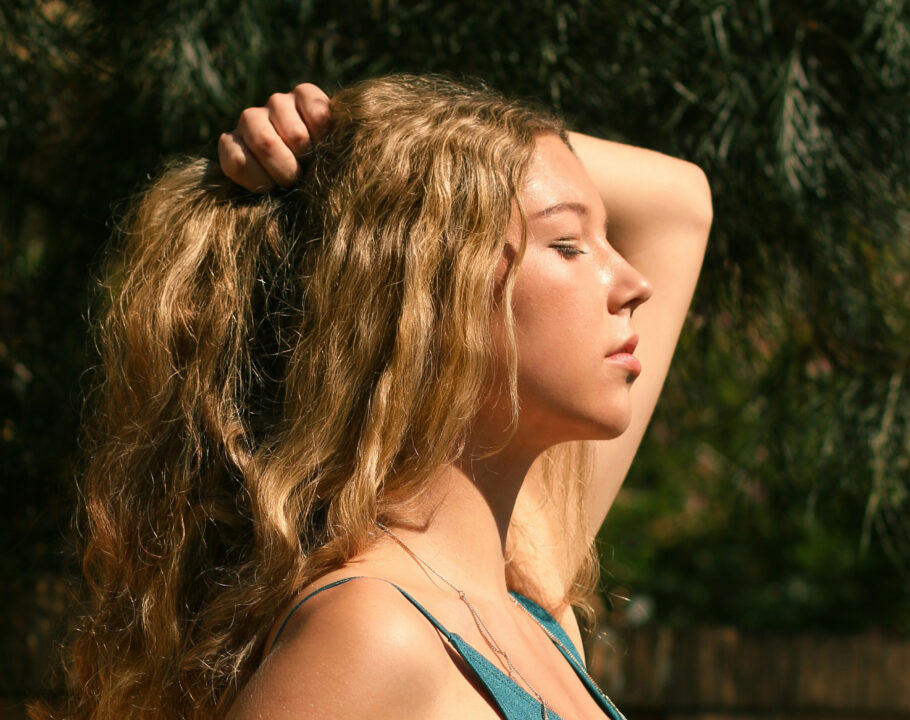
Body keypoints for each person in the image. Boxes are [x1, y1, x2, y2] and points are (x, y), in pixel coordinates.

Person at [34, 74, 711, 720]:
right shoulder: (375, 634)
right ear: (429, 297)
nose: (632, 282)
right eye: (567, 244)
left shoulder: (528, 594)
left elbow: (678, 203)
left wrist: (362, 133)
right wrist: (369, 151)